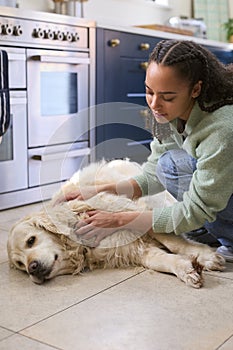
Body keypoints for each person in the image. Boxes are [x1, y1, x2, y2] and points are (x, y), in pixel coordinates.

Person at [64, 39, 233, 261]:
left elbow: (197, 209)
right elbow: (153, 175)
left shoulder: (221, 129)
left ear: (196, 89)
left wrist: (120, 220)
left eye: (167, 96)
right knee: (167, 164)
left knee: (184, 194)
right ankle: (214, 230)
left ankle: (229, 240)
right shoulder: (168, 114)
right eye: (149, 92)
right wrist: (101, 189)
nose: (154, 104)